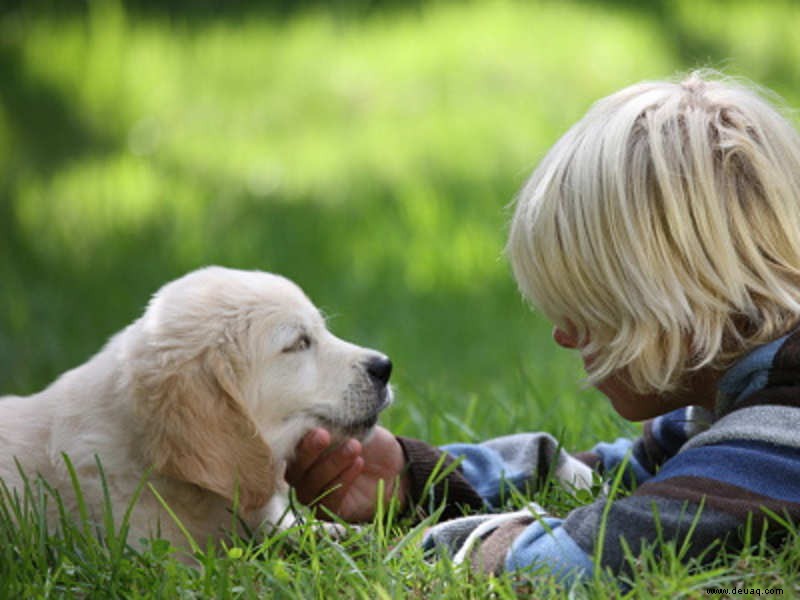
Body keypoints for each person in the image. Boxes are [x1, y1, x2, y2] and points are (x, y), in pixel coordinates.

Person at [285, 71, 800, 582]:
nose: (564, 336)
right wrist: (411, 476)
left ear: (679, 298)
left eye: (586, 309)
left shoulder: (783, 418)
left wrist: (418, 545)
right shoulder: (737, 400)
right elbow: (621, 478)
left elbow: (580, 561)